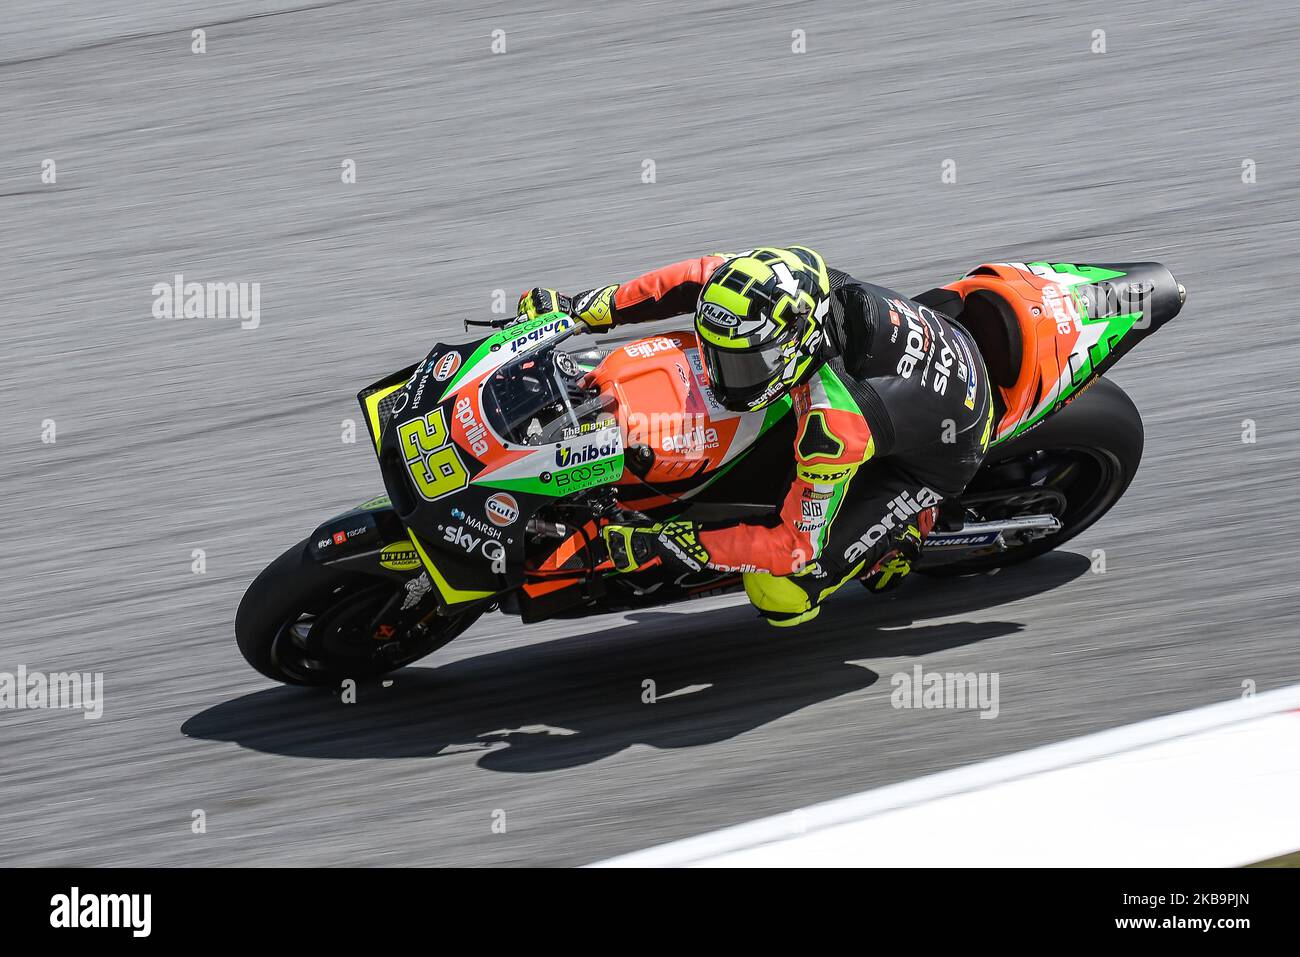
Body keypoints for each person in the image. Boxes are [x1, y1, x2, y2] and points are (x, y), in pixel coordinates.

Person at [517, 246, 993, 627]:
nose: (722, 375)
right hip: (918, 357)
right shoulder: (778, 282)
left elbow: (792, 547)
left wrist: (673, 542)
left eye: (742, 365)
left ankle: (904, 531)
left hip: (940, 450)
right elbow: (693, 277)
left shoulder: (834, 425)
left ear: (797, 348)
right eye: (717, 354)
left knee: (783, 593)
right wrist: (585, 310)